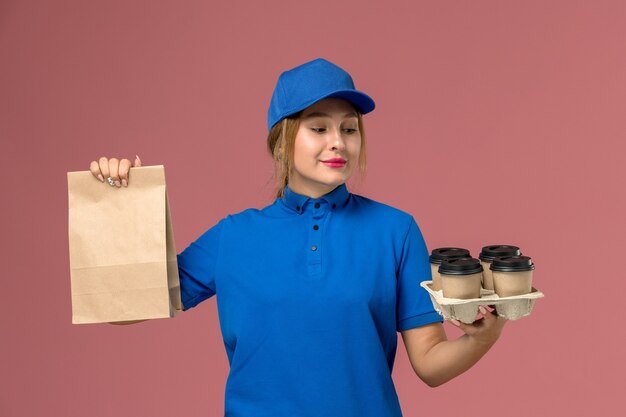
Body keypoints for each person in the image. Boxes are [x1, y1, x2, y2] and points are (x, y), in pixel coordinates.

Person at [89, 58, 506, 417]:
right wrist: (120, 204)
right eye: (319, 128)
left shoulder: (395, 231)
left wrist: (482, 338)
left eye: (349, 128)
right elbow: (124, 303)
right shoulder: (233, 237)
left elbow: (430, 363)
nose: (338, 142)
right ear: (283, 140)